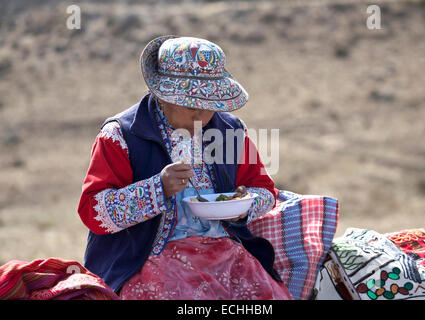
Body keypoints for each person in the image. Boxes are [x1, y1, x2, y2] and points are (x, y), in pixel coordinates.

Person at [77, 35, 293, 299]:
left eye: (209, 105)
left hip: (225, 256)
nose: (201, 115)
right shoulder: (121, 135)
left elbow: (265, 191)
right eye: (192, 105)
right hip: (147, 261)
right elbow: (94, 211)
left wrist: (242, 207)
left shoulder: (230, 131)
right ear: (162, 95)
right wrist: (157, 189)